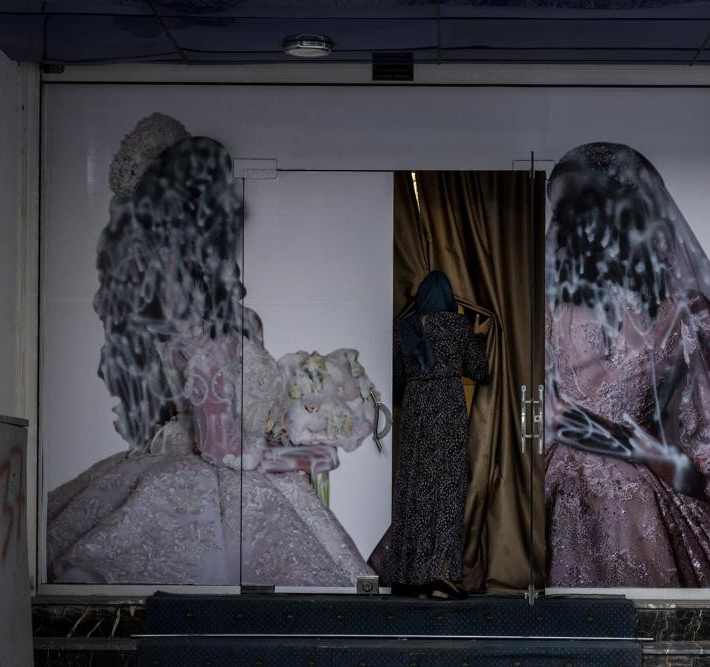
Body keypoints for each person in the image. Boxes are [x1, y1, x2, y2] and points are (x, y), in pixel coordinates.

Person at [48, 114, 377, 586]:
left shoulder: (216, 311)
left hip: (229, 472)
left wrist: (294, 429)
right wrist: (297, 458)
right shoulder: (189, 313)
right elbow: (220, 445)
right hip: (213, 481)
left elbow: (241, 412)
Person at [544, 143, 710, 588]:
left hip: (642, 502)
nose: (563, 227)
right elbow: (534, 408)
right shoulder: (545, 308)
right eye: (560, 212)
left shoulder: (690, 315)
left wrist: (660, 457)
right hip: (550, 489)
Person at [383, 270, 490, 598]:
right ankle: (442, 576)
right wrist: (479, 336)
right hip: (447, 408)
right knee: (447, 490)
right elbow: (479, 370)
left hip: (416, 409)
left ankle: (408, 573)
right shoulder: (458, 327)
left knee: (414, 488)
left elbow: (397, 381)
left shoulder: (406, 329)